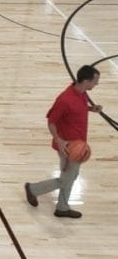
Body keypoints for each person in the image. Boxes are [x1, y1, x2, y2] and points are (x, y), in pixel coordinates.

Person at [24, 65, 102, 219]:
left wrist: (90, 109)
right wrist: (59, 141)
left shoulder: (81, 93)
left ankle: (62, 207)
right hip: (68, 147)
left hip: (78, 145)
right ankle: (33, 189)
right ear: (86, 81)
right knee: (65, 179)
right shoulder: (64, 99)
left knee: (71, 176)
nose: (96, 84)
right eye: (95, 81)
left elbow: (76, 109)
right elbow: (51, 121)